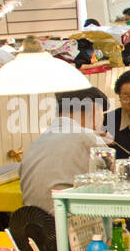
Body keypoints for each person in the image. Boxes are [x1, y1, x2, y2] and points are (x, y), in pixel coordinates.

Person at [19, 86, 110, 214]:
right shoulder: (89, 138)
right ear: (93, 113)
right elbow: (111, 189)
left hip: (33, 225)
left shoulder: (38, 141)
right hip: (70, 226)